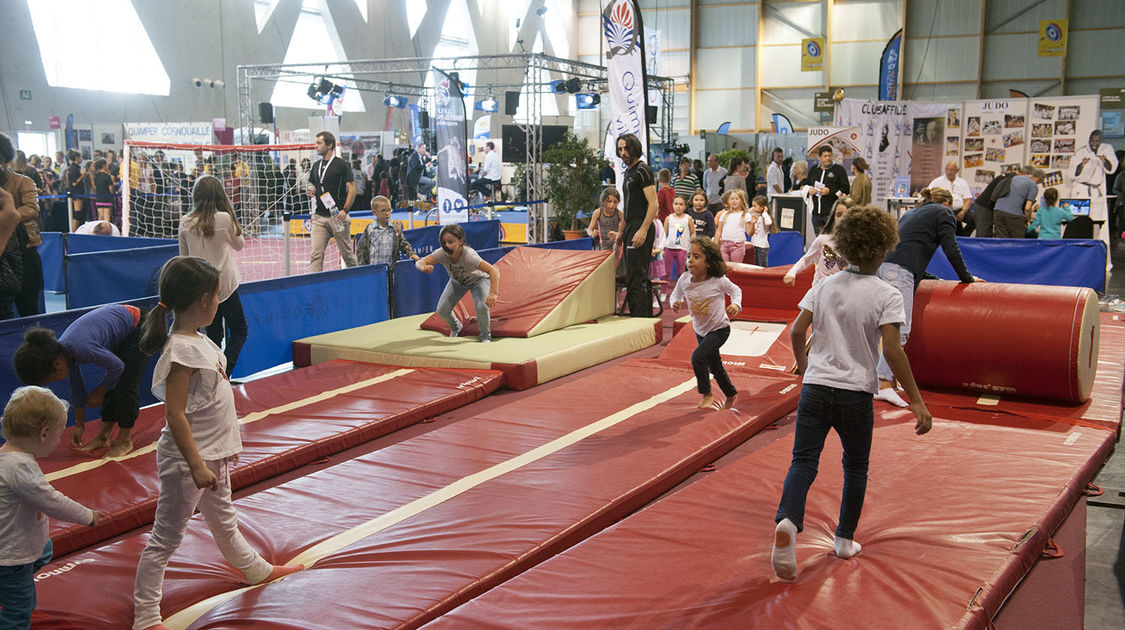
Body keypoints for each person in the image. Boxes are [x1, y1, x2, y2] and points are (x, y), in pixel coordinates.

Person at [132, 257, 302, 630]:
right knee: (166, 537)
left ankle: (255, 570)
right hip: (189, 461)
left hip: (213, 454)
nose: (220, 301)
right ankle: (145, 617)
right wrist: (194, 464)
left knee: (224, 521)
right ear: (201, 301)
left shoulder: (198, 340)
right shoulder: (180, 349)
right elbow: (174, 414)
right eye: (216, 295)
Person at [771, 205, 932, 582]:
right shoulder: (886, 294)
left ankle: (789, 522)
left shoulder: (825, 285)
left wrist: (805, 366)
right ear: (883, 249)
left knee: (803, 462)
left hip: (815, 387)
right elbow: (892, 350)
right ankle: (843, 539)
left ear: (844, 247)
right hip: (855, 393)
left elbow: (797, 332)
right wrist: (918, 401)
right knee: (855, 467)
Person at [0, 386, 99, 630]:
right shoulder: (20, 467)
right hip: (12, 559)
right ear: (44, 434)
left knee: (45, 547)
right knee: (19, 608)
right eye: (59, 434)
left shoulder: (6, 458)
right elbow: (52, 502)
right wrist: (89, 516)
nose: (59, 440)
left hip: (13, 548)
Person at [874, 188, 977, 407]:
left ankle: (882, 379)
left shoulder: (912, 213)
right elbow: (951, 248)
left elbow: (907, 250)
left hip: (884, 267)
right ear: (948, 203)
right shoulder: (945, 213)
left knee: (882, 327)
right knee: (900, 329)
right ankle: (883, 383)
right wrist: (967, 279)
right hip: (899, 271)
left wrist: (932, 278)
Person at [14, 303, 150, 457]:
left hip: (139, 323)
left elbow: (118, 367)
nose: (55, 381)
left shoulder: (80, 347)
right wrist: (79, 425)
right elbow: (77, 389)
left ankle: (124, 440)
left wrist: (100, 391)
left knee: (125, 384)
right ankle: (103, 436)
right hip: (123, 326)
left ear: (56, 365)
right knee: (111, 383)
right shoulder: (64, 354)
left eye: (52, 379)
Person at [179, 175, 247, 376]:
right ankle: (225, 371)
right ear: (220, 195)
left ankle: (214, 373)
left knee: (213, 336)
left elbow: (184, 258)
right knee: (239, 330)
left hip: (201, 287)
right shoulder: (225, 218)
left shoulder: (185, 221)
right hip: (225, 284)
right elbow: (240, 244)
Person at [670, 236, 743, 410]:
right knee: (715, 367)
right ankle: (731, 394)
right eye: (689, 256)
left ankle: (706, 394)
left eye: (696, 257)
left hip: (719, 329)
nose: (690, 261)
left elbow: (736, 290)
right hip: (700, 331)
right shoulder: (684, 280)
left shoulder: (717, 280)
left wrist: (735, 304)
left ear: (708, 262)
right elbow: (675, 294)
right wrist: (675, 302)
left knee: (697, 357)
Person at [415, 224, 500, 343]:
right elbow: (419, 262)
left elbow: (493, 271)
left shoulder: (469, 256)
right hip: (457, 282)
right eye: (443, 243)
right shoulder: (441, 253)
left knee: (481, 306)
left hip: (478, 281)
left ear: (461, 241)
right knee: (442, 310)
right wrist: (423, 267)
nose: (446, 246)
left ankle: (485, 335)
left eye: (450, 242)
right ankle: (456, 327)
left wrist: (493, 293)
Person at [616, 133, 659, 317]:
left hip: (641, 227)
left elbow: (654, 204)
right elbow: (627, 206)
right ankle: (642, 318)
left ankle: (640, 320)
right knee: (634, 275)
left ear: (635, 148)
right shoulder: (628, 172)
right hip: (630, 227)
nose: (623, 153)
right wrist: (621, 231)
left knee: (637, 276)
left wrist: (643, 229)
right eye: (620, 149)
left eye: (626, 148)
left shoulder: (643, 170)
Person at [1, 134, 43, 319]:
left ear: (2, 159)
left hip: (24, 252)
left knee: (29, 310)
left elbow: (32, 209)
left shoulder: (23, 182)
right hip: (3, 257)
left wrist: (10, 216)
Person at [306, 131, 358, 272]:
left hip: (338, 216)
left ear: (329, 145)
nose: (315, 146)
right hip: (319, 217)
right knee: (316, 255)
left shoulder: (341, 164)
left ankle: (359, 281)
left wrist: (345, 210)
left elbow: (352, 189)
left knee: (347, 255)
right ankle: (314, 287)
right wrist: (312, 190)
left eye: (319, 143)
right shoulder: (316, 165)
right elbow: (315, 185)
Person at [1070, 130, 1119, 267]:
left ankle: (1094, 257)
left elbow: (1112, 168)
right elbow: (1072, 172)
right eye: (1092, 141)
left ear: (1101, 141)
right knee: (1078, 223)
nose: (1094, 144)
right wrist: (1082, 165)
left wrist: (1105, 161)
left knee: (1096, 226)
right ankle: (1077, 256)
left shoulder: (1107, 149)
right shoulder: (1081, 152)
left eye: (1097, 141)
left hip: (1096, 193)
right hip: (1081, 191)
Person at [784, 197, 854, 287]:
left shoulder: (856, 244)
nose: (842, 219)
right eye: (839, 215)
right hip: (819, 289)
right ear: (833, 217)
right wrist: (792, 272)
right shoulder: (823, 239)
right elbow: (806, 259)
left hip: (842, 290)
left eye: (847, 215)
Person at [357, 195, 418, 266]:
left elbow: (403, 243)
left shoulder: (395, 229)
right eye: (383, 210)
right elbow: (361, 250)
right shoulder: (370, 229)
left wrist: (411, 254)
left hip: (390, 270)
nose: (387, 213)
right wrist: (363, 268)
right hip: (373, 270)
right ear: (374, 212)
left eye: (389, 210)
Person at [802, 146, 850, 235]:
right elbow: (807, 184)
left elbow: (846, 188)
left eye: (829, 155)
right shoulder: (814, 170)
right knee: (819, 239)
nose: (828, 158)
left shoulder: (839, 170)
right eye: (825, 156)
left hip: (831, 213)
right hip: (816, 213)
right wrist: (809, 190)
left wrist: (830, 192)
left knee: (832, 239)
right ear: (819, 157)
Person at [992, 167, 1043, 239]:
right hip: (1013, 214)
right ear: (1039, 179)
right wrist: (1027, 221)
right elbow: (1027, 208)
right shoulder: (1033, 185)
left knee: (1003, 241)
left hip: (998, 211)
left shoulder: (1015, 178)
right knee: (1018, 242)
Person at [927, 161, 973, 236]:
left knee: (973, 220)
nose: (949, 172)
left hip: (960, 209)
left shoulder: (962, 182)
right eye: (947, 169)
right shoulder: (937, 181)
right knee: (951, 223)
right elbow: (928, 192)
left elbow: (967, 200)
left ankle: (963, 237)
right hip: (945, 209)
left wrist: (963, 211)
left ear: (957, 171)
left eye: (951, 170)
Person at [663, 194, 695, 283]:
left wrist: (690, 246)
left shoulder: (688, 218)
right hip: (669, 248)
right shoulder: (668, 218)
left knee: (681, 272)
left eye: (681, 204)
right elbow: (663, 234)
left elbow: (693, 233)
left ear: (685, 206)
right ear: (672, 205)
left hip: (683, 248)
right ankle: (663, 292)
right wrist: (661, 247)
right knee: (666, 271)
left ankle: (681, 292)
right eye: (676, 204)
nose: (678, 206)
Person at [715, 189, 751, 263]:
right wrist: (715, 243)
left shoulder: (746, 215)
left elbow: (749, 232)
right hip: (724, 244)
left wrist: (752, 223)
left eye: (736, 199)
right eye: (732, 199)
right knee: (724, 267)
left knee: (735, 267)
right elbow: (719, 230)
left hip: (737, 246)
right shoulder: (724, 214)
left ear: (742, 201)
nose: (734, 201)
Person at [587, 187, 622, 251]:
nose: (612, 205)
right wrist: (592, 233)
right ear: (603, 201)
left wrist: (618, 234)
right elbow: (589, 229)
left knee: (616, 252)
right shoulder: (597, 212)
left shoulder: (619, 213)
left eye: (615, 202)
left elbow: (626, 229)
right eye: (609, 201)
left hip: (616, 242)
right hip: (604, 245)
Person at [748, 194, 773, 267]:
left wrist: (765, 212)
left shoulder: (765, 217)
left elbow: (769, 222)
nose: (753, 208)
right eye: (753, 206)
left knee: (762, 267)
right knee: (755, 266)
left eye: (755, 206)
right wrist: (753, 208)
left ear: (762, 207)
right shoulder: (755, 216)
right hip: (754, 244)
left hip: (762, 246)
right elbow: (747, 212)